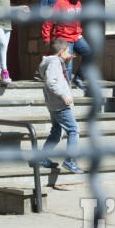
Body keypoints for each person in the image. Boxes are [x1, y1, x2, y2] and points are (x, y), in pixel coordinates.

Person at [37, 38, 84, 174]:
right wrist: (64, 95)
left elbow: (56, 77)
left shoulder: (51, 61)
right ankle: (70, 160)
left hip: (54, 103)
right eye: (67, 53)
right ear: (61, 52)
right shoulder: (55, 62)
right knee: (73, 130)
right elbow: (52, 82)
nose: (69, 55)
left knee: (56, 132)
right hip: (59, 103)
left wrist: (66, 61)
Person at [41, 0, 91, 93]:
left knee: (89, 53)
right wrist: (46, 36)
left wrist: (78, 31)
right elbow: (49, 20)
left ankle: (78, 79)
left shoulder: (78, 3)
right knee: (68, 65)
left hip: (76, 35)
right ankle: (65, 90)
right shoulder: (60, 3)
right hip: (64, 37)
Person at [34, 0, 66, 81]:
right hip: (52, 28)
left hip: (60, 28)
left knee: (58, 51)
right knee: (53, 51)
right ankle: (39, 71)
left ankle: (53, 72)